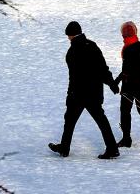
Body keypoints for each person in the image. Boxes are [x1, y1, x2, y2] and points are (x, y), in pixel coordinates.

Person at [49, 21, 120, 159]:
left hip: (78, 94)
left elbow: (73, 77)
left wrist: (70, 94)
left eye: (68, 36)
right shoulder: (92, 46)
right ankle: (112, 148)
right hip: (94, 93)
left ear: (70, 35)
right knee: (101, 120)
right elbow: (102, 69)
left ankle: (64, 147)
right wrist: (112, 84)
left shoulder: (72, 52)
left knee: (69, 120)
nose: (68, 38)